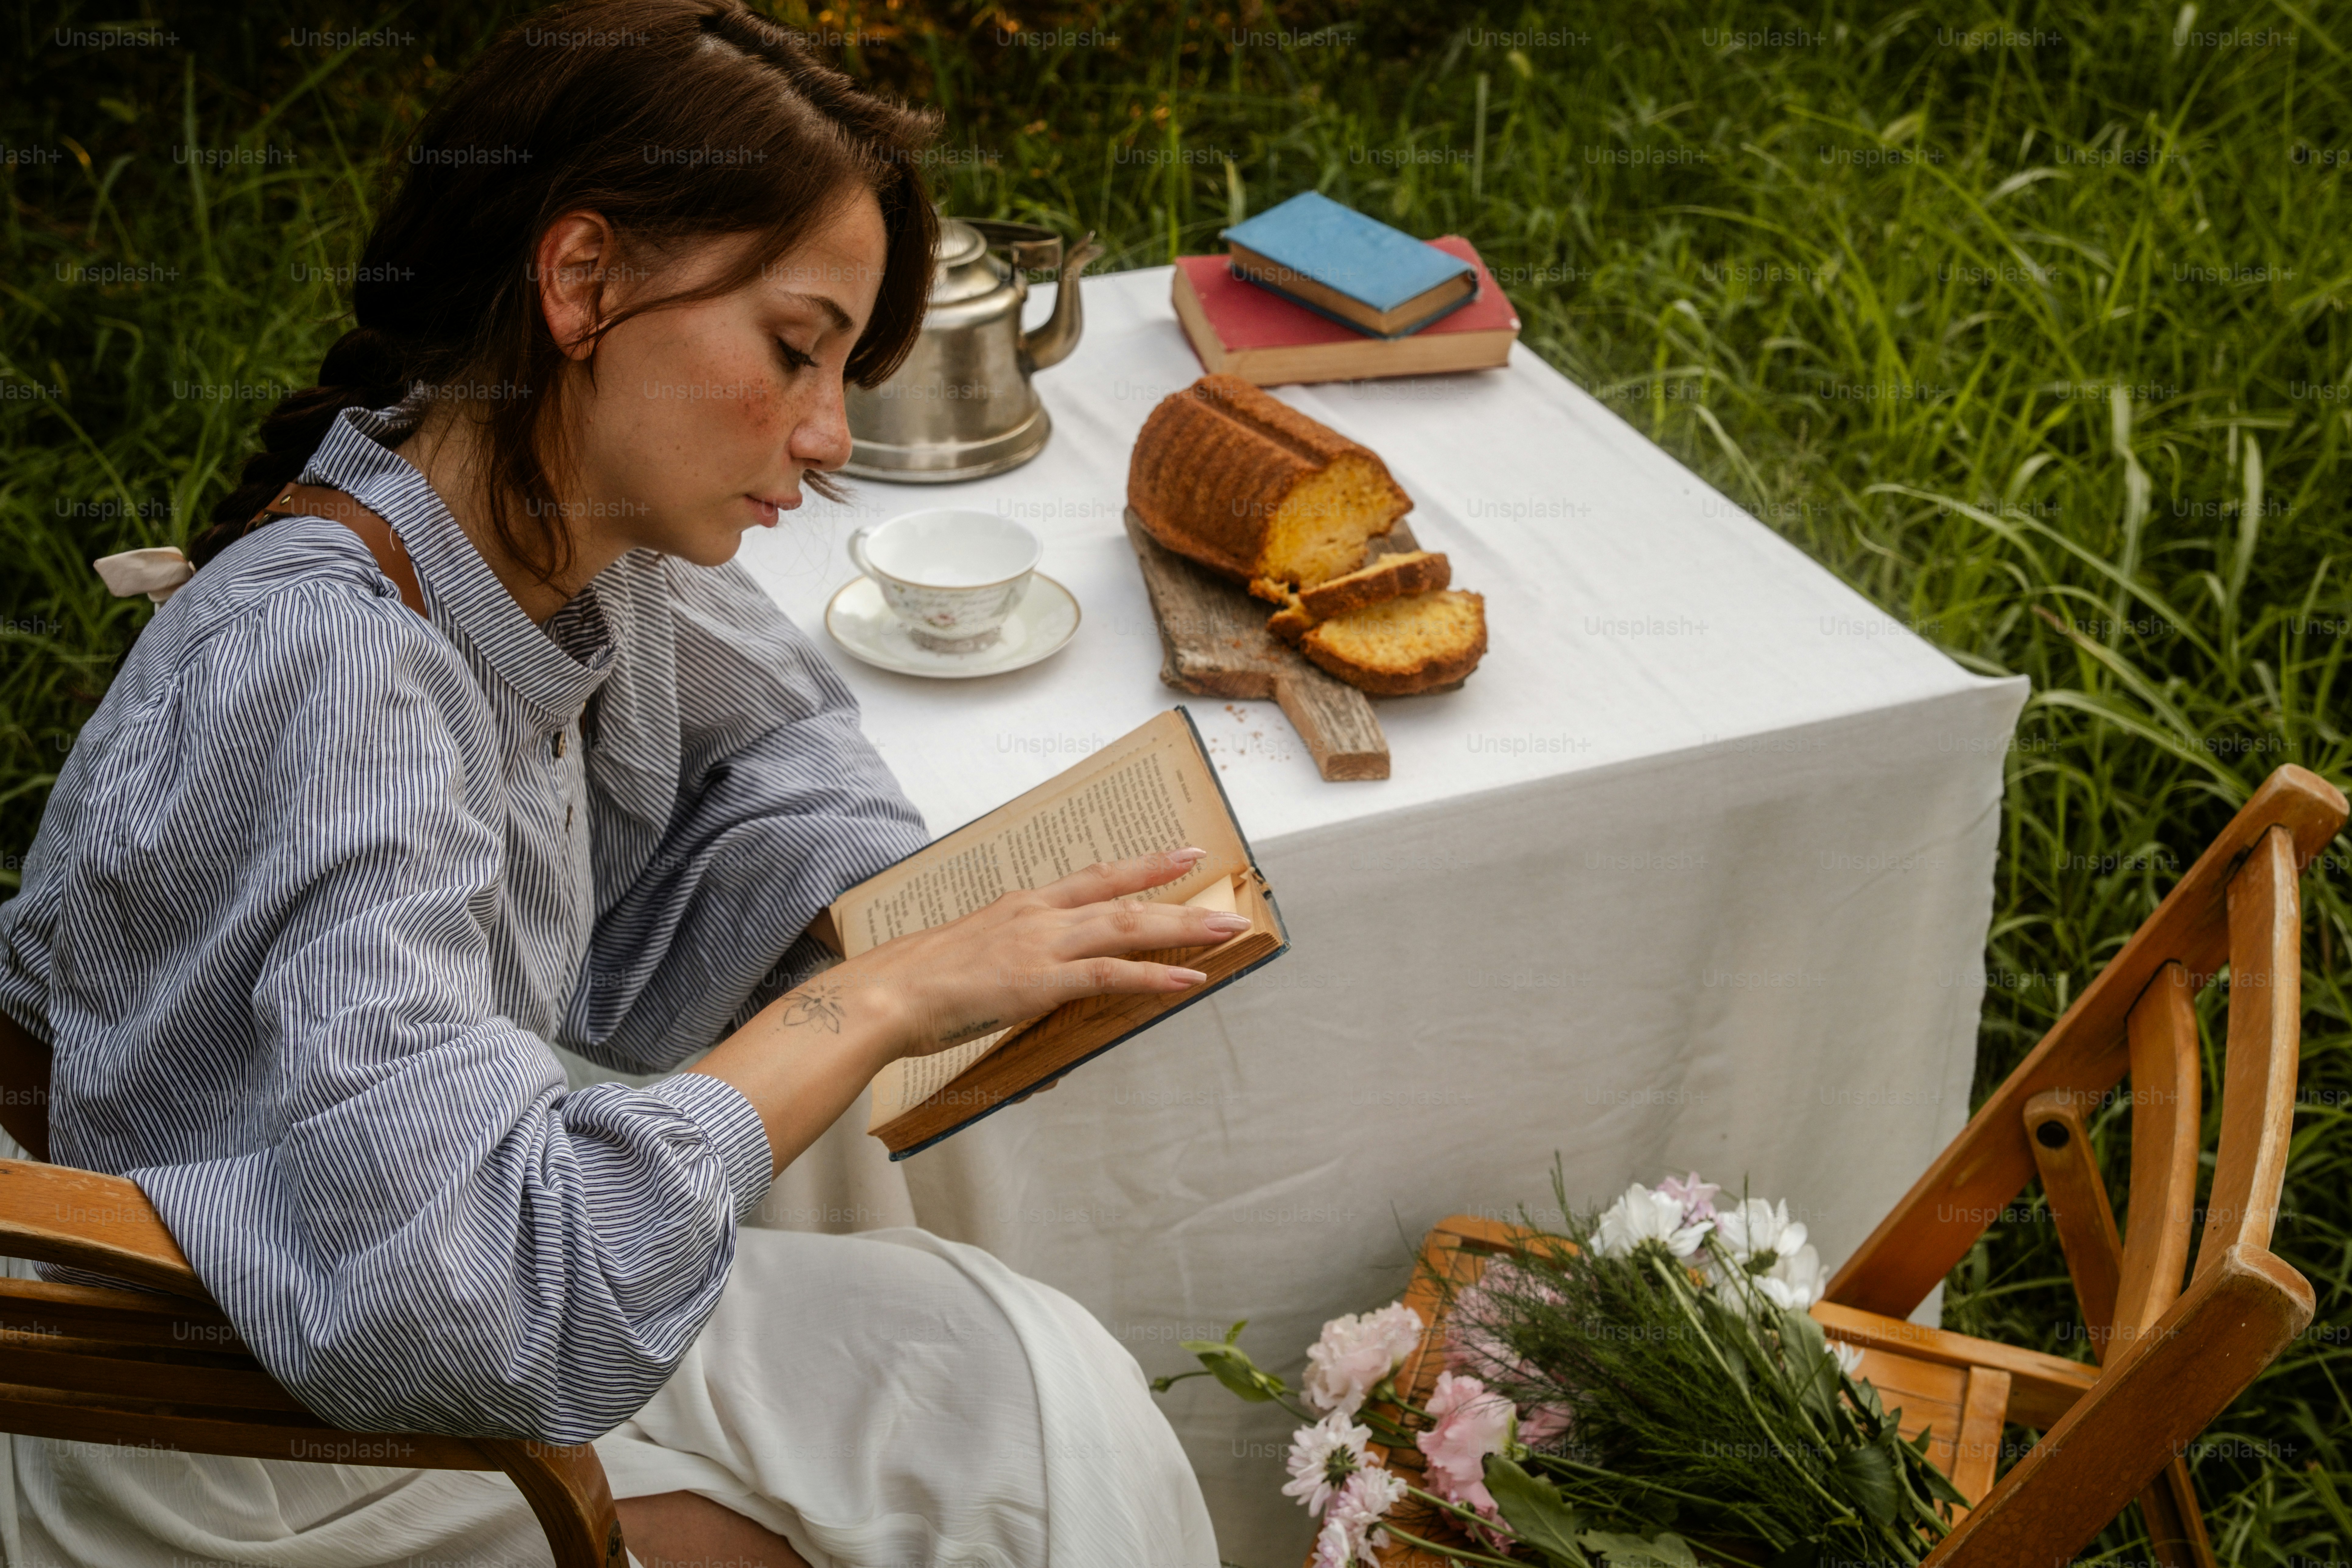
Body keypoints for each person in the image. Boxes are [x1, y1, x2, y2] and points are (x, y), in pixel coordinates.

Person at [0, 2, 1227, 1564]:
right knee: (1014, 1428)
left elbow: (774, 755)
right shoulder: (336, 665)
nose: (833, 437)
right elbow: (486, 1293)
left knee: (1020, 1375)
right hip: (242, 1419)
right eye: (795, 350)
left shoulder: (565, 543)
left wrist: (904, 918)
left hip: (394, 1282)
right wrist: (871, 1002)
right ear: (582, 281)